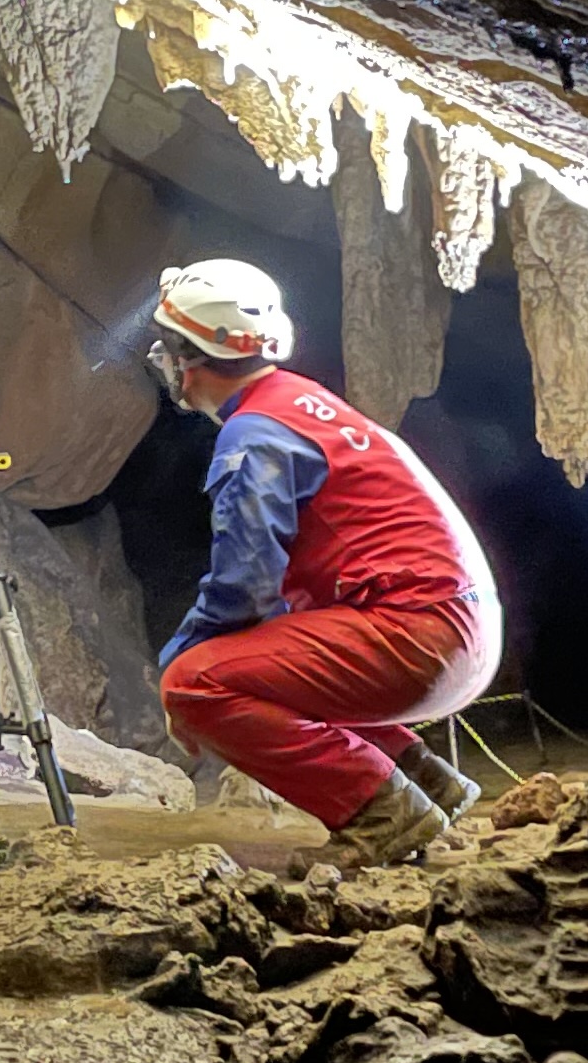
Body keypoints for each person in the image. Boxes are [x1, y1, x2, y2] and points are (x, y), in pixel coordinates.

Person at [144, 259, 498, 865]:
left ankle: (381, 811)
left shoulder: (254, 435)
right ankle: (423, 779)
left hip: (419, 639)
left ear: (190, 357)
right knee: (274, 656)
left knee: (195, 682)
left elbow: (244, 586)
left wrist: (178, 666)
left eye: (168, 349)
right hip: (459, 632)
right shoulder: (301, 402)